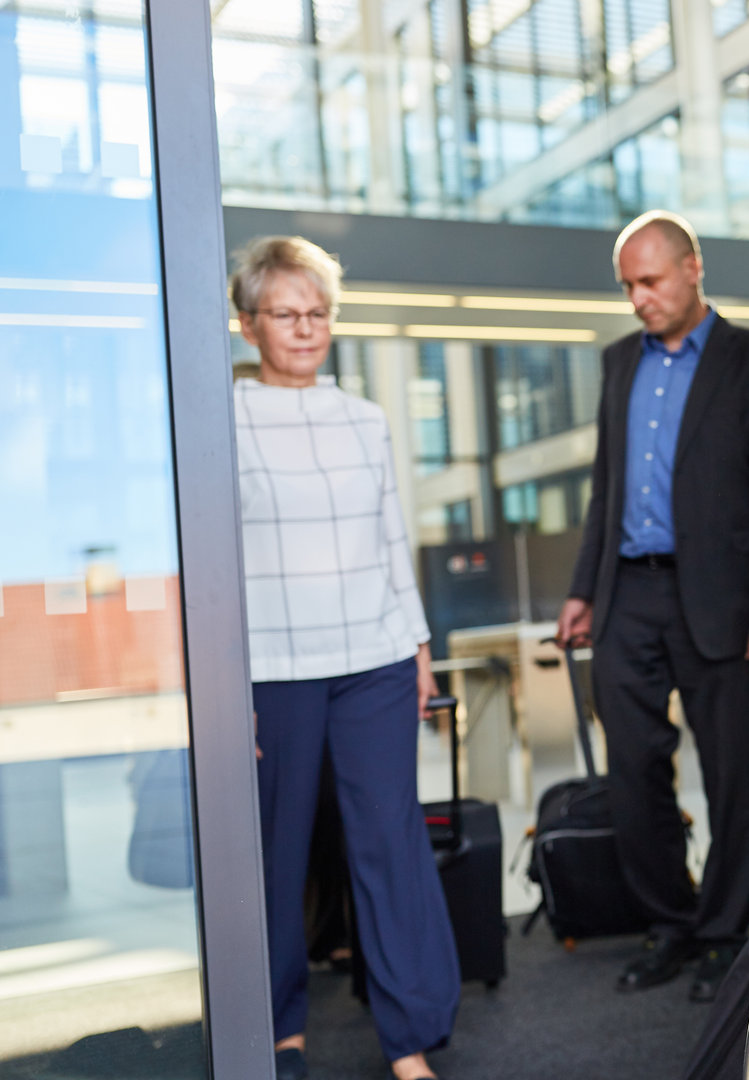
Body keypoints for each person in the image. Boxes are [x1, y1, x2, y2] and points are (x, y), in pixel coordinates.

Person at [555, 210, 749, 1002]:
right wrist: (583, 590)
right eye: (628, 285)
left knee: (728, 774)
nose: (638, 298)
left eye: (650, 280)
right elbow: (608, 487)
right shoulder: (619, 362)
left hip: (724, 601)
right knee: (633, 769)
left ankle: (724, 935)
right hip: (628, 592)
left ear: (693, 268)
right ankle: (669, 922)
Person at [231, 236, 458, 1080]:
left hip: (373, 659)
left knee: (390, 844)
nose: (304, 329)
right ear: (247, 323)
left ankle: (409, 1041)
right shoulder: (223, 417)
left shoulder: (366, 419)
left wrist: (418, 649)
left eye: (317, 313)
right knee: (274, 855)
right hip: (272, 667)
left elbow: (393, 542)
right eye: (285, 315)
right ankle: (276, 1032)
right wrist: (227, 686)